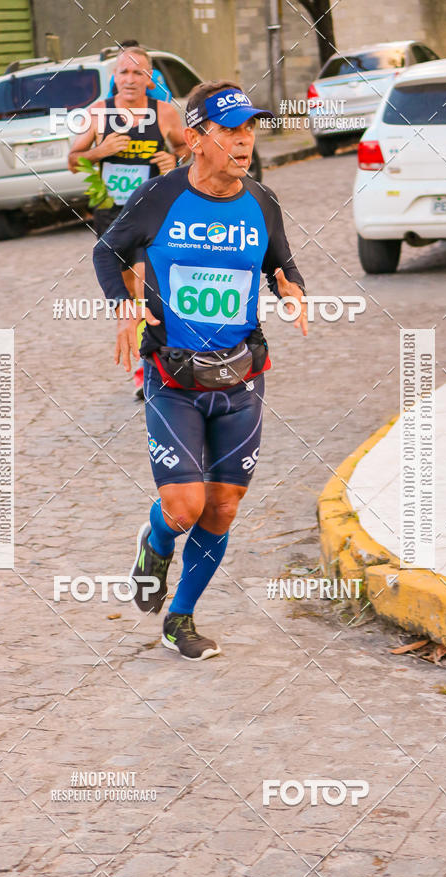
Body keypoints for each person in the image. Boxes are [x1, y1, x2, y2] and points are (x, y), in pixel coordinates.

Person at [93, 80, 308, 660]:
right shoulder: (158, 199)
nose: (244, 143)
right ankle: (155, 542)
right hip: (172, 376)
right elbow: (106, 251)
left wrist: (292, 288)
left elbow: (280, 260)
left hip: (241, 375)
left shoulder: (262, 201)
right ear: (195, 138)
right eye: (230, 131)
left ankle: (179, 619)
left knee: (223, 507)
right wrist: (125, 305)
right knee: (184, 508)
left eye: (250, 130)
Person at [67, 44, 188, 238]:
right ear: (114, 76)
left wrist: (175, 159)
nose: (130, 80)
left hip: (154, 207)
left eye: (138, 73)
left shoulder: (165, 112)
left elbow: (184, 147)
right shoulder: (97, 112)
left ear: (149, 78)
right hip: (110, 212)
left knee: (149, 267)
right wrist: (100, 151)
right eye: (124, 72)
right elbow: (73, 163)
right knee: (117, 268)